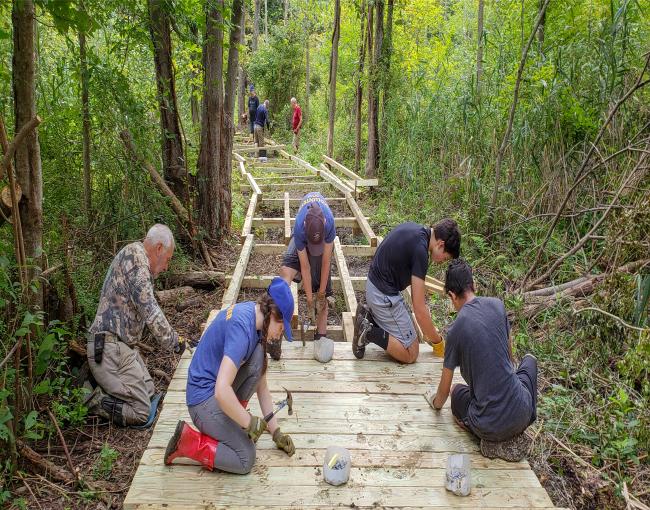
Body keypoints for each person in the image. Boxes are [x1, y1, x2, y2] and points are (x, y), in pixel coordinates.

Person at [164, 278, 296, 473]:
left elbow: (262, 386)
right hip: (202, 402)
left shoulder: (255, 318)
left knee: (258, 360)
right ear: (273, 314)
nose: (280, 335)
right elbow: (221, 390)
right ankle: (188, 442)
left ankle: (231, 421)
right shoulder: (242, 329)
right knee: (245, 458)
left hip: (216, 394)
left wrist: (275, 431)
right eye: (281, 328)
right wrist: (249, 422)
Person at [428, 259, 538, 462]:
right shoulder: (498, 305)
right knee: (529, 362)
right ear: (474, 285)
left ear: (452, 296)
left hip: (487, 425)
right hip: (522, 412)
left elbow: (443, 393)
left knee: (456, 392)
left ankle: (484, 436)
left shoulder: (455, 330)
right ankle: (517, 428)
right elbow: (510, 356)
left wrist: (433, 402)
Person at [86, 224, 192, 426]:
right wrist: (177, 343)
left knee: (151, 392)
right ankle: (91, 399)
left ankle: (109, 387)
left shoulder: (135, 256)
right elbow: (151, 312)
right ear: (159, 248)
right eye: (167, 260)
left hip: (121, 347)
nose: (166, 267)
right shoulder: (137, 262)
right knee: (142, 412)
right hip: (107, 348)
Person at [353, 219, 461, 364]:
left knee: (410, 334)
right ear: (441, 244)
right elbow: (419, 309)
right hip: (382, 295)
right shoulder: (420, 251)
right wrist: (438, 342)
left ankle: (371, 319)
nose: (443, 261)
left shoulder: (416, 230)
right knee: (411, 352)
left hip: (377, 286)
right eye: (446, 257)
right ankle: (368, 330)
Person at [280, 193, 336, 341]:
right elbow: (305, 267)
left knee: (321, 287)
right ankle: (279, 318)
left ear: (324, 223)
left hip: (321, 234)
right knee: (286, 270)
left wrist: (321, 294)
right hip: (303, 236)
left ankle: (321, 335)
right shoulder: (300, 226)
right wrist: (310, 300)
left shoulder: (329, 222)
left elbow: (326, 262)